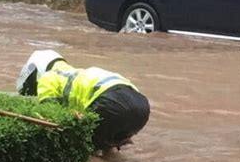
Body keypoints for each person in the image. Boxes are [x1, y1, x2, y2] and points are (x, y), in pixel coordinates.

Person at [16, 50, 150, 153]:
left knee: (88, 151)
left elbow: (50, 111)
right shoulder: (77, 73)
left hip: (110, 101)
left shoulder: (49, 77)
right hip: (142, 106)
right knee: (108, 150)